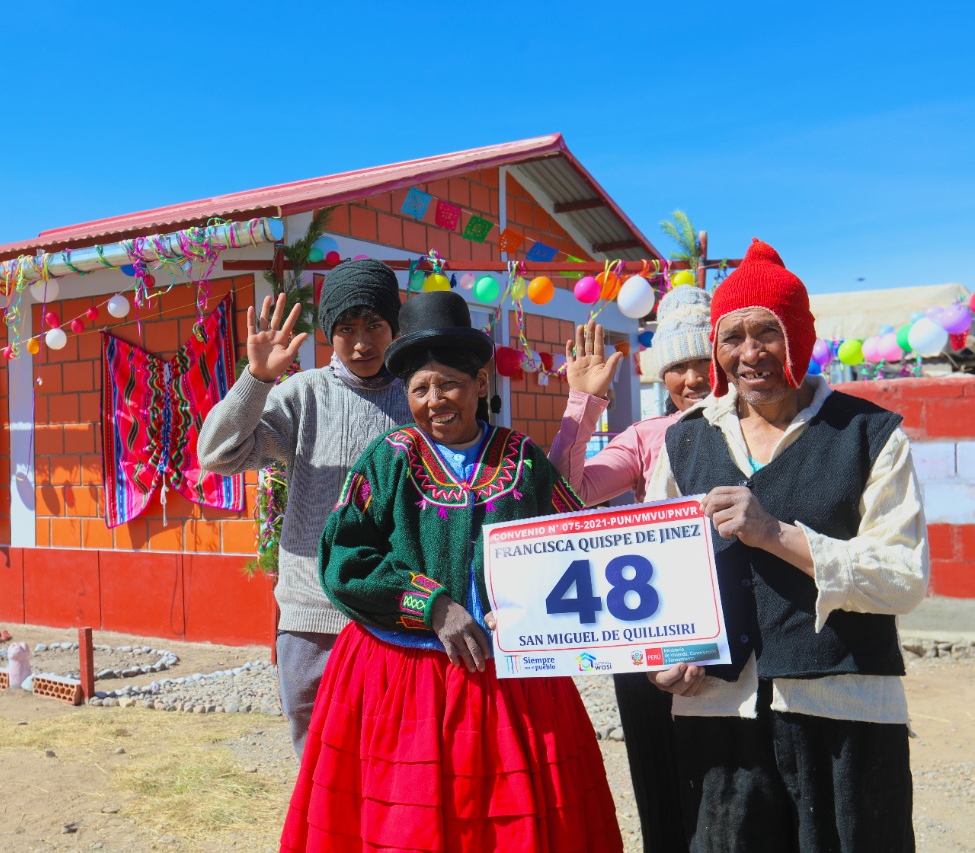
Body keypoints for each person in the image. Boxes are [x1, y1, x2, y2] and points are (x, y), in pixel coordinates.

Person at [281, 291, 623, 853]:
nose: (434, 401)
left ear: (481, 383)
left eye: (449, 384)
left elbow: (571, 543)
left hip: (510, 683)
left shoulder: (522, 459)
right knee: (409, 820)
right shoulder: (387, 458)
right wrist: (433, 605)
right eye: (419, 389)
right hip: (403, 677)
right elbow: (343, 559)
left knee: (508, 821)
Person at [644, 239, 928, 852]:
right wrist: (665, 651)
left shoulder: (867, 435)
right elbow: (654, 568)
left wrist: (776, 535)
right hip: (718, 714)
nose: (750, 354)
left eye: (767, 332)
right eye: (732, 336)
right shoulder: (685, 443)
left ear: (798, 335)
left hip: (845, 709)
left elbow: (904, 577)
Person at [198, 259, 412, 757]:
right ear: (327, 333)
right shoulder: (304, 395)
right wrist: (256, 379)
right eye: (345, 328)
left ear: (394, 329)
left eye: (375, 326)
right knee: (318, 759)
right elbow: (217, 454)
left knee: (390, 756)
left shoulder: (416, 396)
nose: (362, 343)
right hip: (311, 618)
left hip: (394, 614)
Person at [547, 283, 713, 853]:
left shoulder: (760, 430)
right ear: (659, 375)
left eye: (704, 362)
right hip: (648, 641)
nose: (694, 380)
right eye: (679, 366)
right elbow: (566, 492)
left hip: (737, 640)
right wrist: (583, 404)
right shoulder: (643, 438)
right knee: (659, 785)